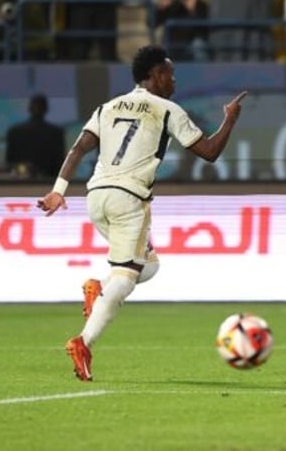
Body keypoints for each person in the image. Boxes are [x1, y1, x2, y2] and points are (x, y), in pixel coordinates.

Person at [36, 45, 247, 382]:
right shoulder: (166, 109)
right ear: (153, 74)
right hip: (129, 199)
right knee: (127, 277)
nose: (174, 80)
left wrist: (58, 191)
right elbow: (208, 152)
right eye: (169, 73)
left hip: (97, 196)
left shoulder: (108, 107)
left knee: (148, 264)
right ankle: (84, 342)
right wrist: (230, 120)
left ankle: (98, 288)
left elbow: (79, 148)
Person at [6, 93, 66, 178]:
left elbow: (10, 163)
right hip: (48, 183)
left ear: (29, 108)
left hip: (20, 183)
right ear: (46, 109)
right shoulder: (56, 133)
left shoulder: (15, 132)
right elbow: (59, 164)